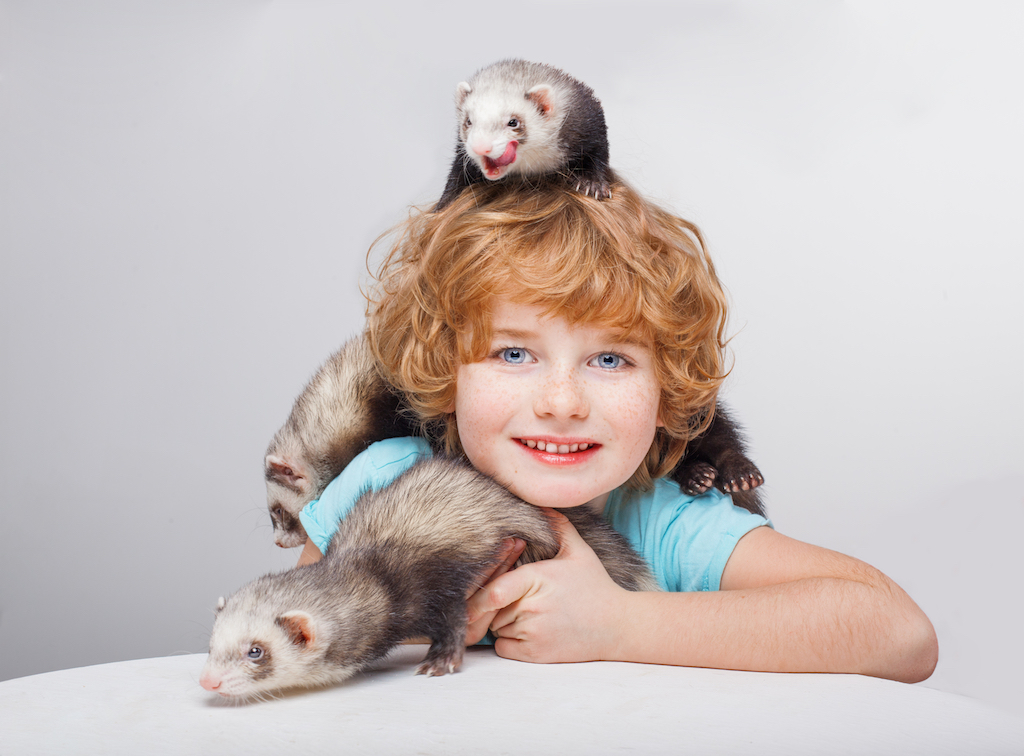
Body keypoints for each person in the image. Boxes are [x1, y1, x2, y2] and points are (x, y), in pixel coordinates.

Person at [297, 179, 938, 683]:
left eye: (611, 359)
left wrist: (620, 622)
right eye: (513, 354)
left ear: (667, 396)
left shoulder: (665, 520)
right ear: (445, 373)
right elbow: (300, 632)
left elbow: (901, 633)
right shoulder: (386, 485)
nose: (561, 402)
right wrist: (425, 617)